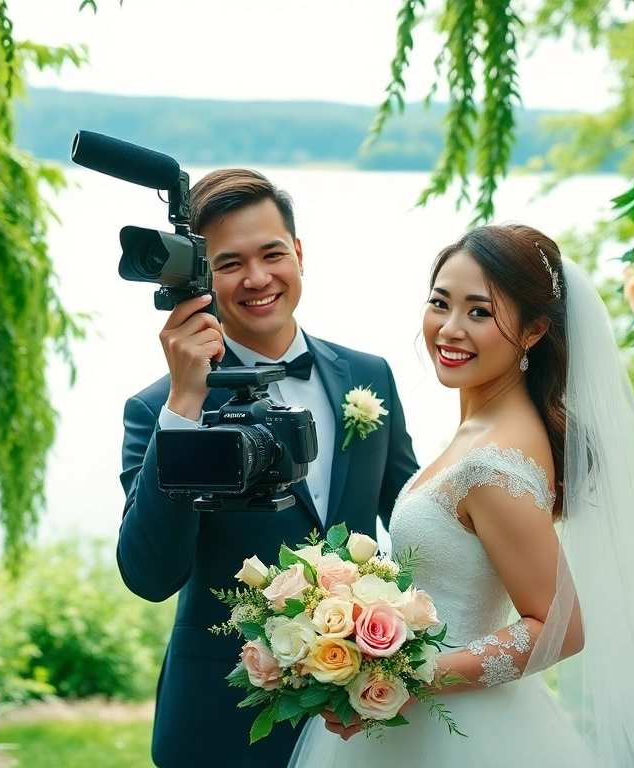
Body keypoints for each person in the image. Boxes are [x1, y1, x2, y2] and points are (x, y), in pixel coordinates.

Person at [290, 224, 634, 767]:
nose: (449, 328)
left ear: (534, 331)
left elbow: (558, 628)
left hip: (455, 734)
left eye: (480, 312)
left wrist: (395, 674)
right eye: (440, 303)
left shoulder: (494, 462)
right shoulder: (486, 430)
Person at [116, 169, 421, 768]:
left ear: (299, 254)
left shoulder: (370, 376)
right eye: (230, 264)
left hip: (359, 716)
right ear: (199, 280)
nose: (258, 279)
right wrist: (184, 407)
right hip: (222, 723)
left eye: (272, 253)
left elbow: (413, 517)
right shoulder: (157, 408)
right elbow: (150, 575)